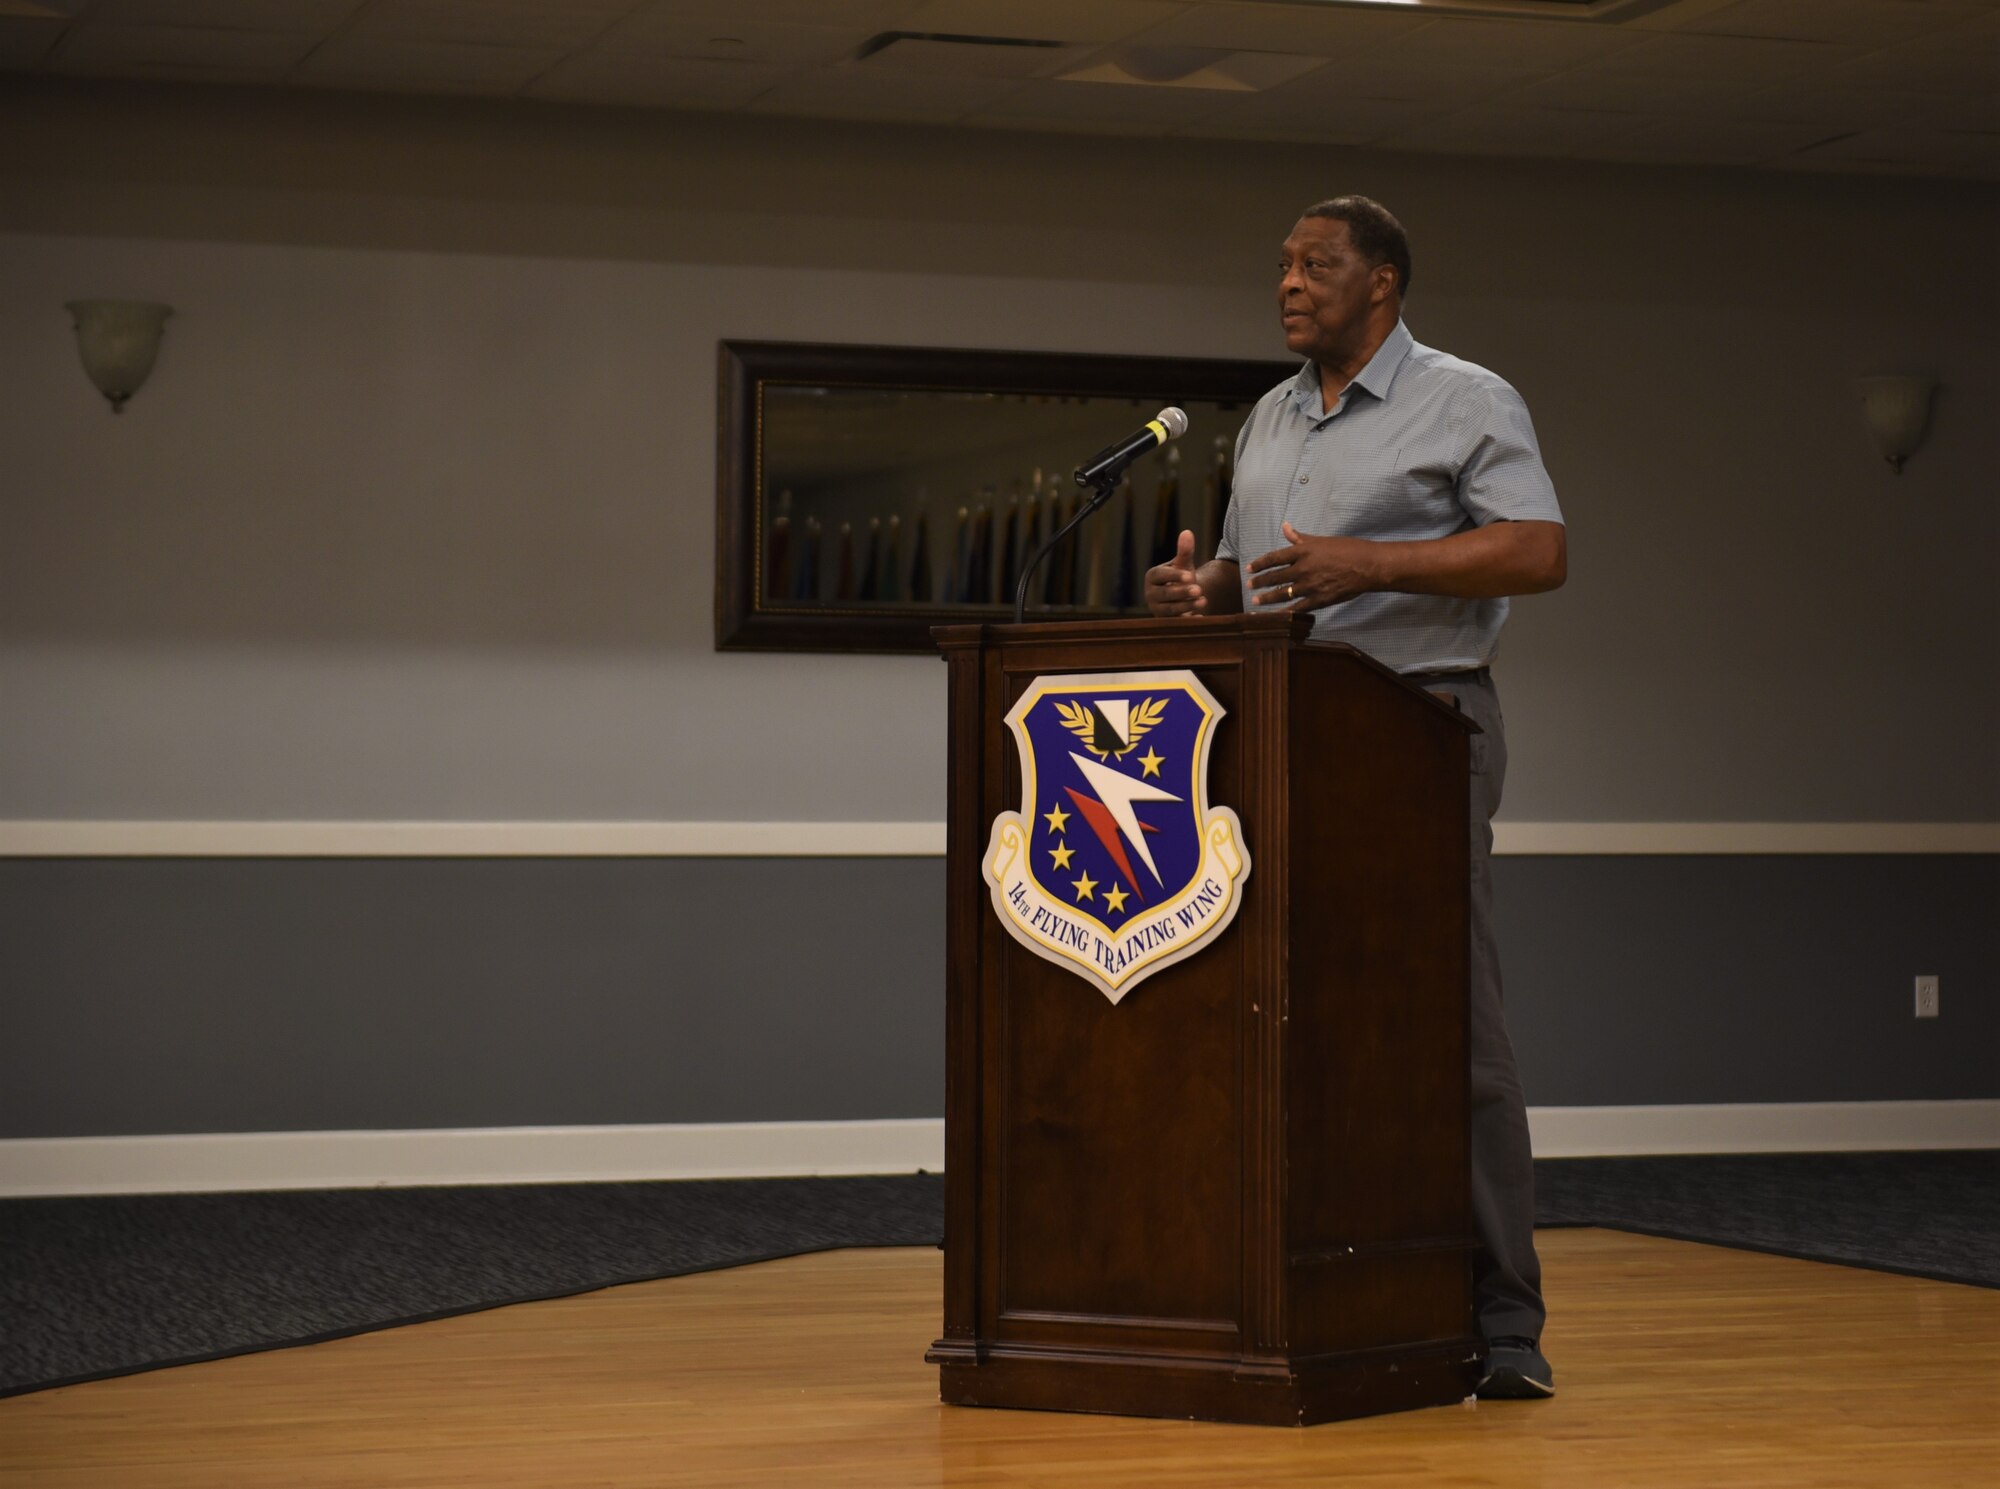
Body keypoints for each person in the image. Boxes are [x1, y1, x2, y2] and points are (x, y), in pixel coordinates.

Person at [1144, 196, 1567, 1400]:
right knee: (1285, 1019)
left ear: (1380, 284)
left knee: (1446, 1027)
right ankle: (1315, 1284)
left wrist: (1372, 562)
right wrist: (1200, 593)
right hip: (1282, 731)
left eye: (1315, 265)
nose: (1287, 283)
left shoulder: (1465, 399)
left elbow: (1538, 550)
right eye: (1279, 263)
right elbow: (1256, 574)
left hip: (1419, 732)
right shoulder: (1272, 415)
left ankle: (1506, 1317)